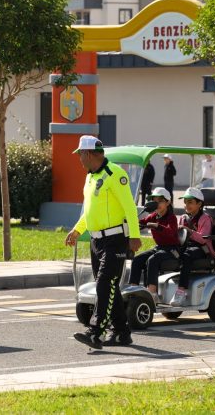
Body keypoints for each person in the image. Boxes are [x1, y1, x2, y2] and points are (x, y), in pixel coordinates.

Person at [65, 135, 142, 349]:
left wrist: (134, 236)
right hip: (96, 241)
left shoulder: (115, 174)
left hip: (115, 240)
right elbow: (90, 210)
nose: (79, 159)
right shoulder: (90, 177)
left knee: (104, 283)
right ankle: (121, 332)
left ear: (89, 153)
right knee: (109, 287)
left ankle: (96, 331)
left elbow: (129, 207)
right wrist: (77, 230)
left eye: (80, 154)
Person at [129, 187, 179, 303]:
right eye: (155, 201)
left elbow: (171, 232)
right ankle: (133, 290)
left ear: (168, 202)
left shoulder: (172, 218)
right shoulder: (153, 216)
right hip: (159, 248)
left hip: (172, 250)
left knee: (152, 260)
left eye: (160, 201)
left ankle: (152, 294)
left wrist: (157, 226)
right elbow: (142, 222)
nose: (157, 204)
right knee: (137, 259)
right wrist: (131, 222)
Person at [170, 187, 215, 306]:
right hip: (186, 246)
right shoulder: (184, 218)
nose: (186, 205)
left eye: (190, 202)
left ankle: (181, 291)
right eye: (185, 202)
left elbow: (203, 239)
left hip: (201, 249)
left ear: (199, 204)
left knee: (186, 256)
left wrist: (189, 231)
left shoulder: (205, 219)